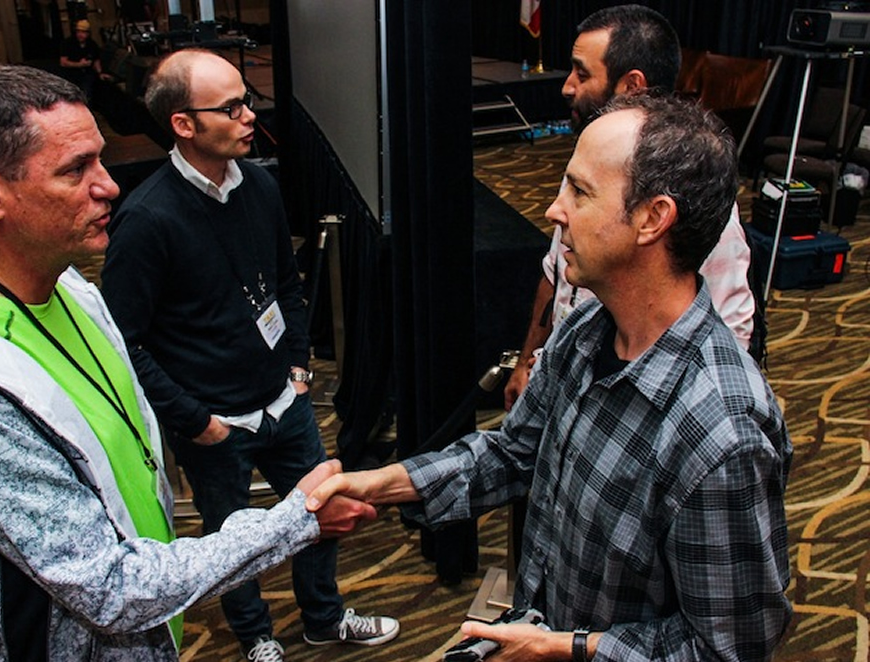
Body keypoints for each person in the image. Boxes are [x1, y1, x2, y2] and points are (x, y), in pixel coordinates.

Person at [0, 64, 375, 661]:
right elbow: (109, 586)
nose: (108, 186)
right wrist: (293, 520)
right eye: (75, 169)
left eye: (100, 161)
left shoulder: (72, 292)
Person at [307, 93, 793, 661]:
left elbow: (725, 650)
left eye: (580, 191)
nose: (554, 210)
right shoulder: (588, 325)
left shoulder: (721, 435)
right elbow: (515, 454)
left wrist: (568, 650)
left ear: (653, 219)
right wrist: (380, 484)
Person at [100, 49, 399, 661]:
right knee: (231, 542)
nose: (248, 115)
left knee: (321, 514)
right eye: (231, 107)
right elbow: (124, 342)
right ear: (183, 124)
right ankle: (256, 637)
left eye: (247, 101)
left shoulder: (259, 183)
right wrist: (195, 421)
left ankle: (324, 616)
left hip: (282, 402)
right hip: (213, 423)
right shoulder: (146, 220)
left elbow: (285, 285)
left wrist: (295, 368)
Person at [503, 4, 756, 411]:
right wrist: (526, 362)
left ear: (632, 85)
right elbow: (555, 279)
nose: (567, 86)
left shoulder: (692, 192)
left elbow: (730, 334)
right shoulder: (594, 159)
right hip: (567, 388)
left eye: (582, 73)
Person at [60, 18, 108, 103]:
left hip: (86, 74)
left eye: (83, 32)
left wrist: (100, 73)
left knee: (87, 92)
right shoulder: (68, 43)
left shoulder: (92, 44)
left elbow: (96, 60)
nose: (80, 35)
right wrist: (79, 64)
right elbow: (63, 62)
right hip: (71, 74)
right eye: (78, 32)